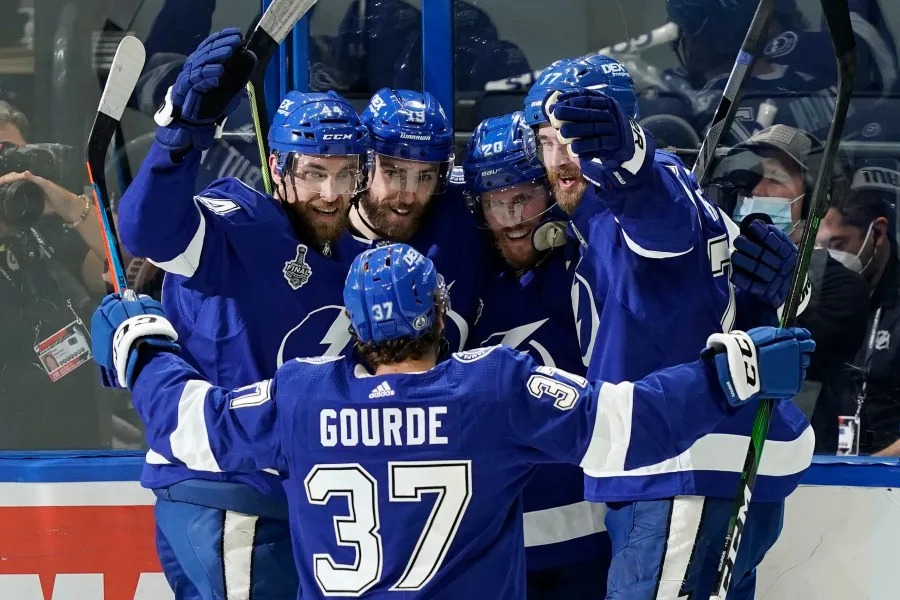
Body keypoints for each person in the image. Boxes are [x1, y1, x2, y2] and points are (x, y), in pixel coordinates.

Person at [90, 242, 815, 600]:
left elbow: (190, 423)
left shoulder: (304, 396)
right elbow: (627, 427)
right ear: (440, 313)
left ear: (356, 326)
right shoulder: (491, 388)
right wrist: (727, 375)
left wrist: (142, 349)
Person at [525, 58, 815, 598]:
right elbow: (749, 297)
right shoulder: (662, 203)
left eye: (578, 138)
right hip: (714, 474)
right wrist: (767, 299)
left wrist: (624, 161)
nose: (563, 158)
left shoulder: (638, 196)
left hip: (682, 475)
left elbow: (660, 222)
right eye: (548, 141)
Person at [116, 29, 370, 600]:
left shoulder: (354, 258)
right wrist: (179, 138)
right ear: (278, 169)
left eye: (343, 173)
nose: (330, 193)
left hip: (269, 500)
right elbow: (148, 230)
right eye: (313, 173)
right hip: (229, 491)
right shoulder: (243, 222)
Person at [463, 112, 608, 598]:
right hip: (494, 549)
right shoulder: (471, 285)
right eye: (494, 204)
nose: (511, 222)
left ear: (549, 193)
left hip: (585, 544)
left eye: (522, 199)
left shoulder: (589, 266)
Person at [720, 125, 871, 452]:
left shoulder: (842, 287)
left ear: (814, 200)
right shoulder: (710, 267)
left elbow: (793, 354)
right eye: (751, 178)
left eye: (774, 179)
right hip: (711, 446)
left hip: (797, 456)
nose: (757, 190)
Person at [338, 88, 484, 354]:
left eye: (425, 177)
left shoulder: (462, 211)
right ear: (363, 164)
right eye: (394, 172)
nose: (408, 195)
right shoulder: (318, 225)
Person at [0, 100, 110, 449]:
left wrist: (66, 203)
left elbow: (117, 263)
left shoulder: (41, 231)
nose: (9, 171)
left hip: (73, 448)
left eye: (15, 157)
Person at [817, 166, 900, 455]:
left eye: (838, 244)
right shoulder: (816, 296)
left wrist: (870, 470)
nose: (829, 257)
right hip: (819, 464)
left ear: (877, 233)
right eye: (819, 247)